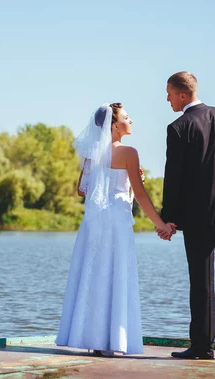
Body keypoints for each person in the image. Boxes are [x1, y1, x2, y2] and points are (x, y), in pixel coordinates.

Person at [56, 103, 174, 357]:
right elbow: (140, 196)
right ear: (114, 125)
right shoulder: (129, 153)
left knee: (93, 274)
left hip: (95, 220)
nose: (131, 121)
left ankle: (91, 337)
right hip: (117, 221)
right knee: (116, 274)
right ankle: (113, 339)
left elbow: (82, 189)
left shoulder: (92, 154)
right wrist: (161, 224)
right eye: (127, 117)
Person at [161, 72, 215, 360]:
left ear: (183, 95)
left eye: (170, 94)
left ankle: (202, 346)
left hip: (197, 215)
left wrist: (169, 217)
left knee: (201, 280)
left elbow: (173, 177)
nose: (168, 99)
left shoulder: (178, 127)